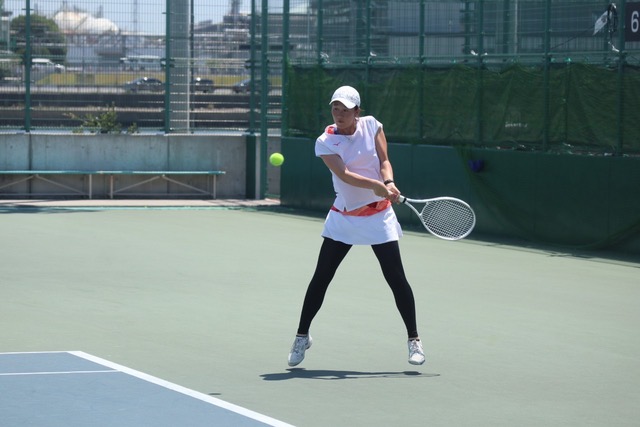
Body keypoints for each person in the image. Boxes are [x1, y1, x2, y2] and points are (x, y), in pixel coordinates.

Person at [287, 85, 425, 367]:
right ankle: (302, 336)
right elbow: (345, 175)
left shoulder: (372, 125)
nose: (339, 114)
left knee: (396, 278)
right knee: (321, 277)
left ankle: (414, 340)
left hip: (379, 217)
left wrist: (388, 182)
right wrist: (376, 185)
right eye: (335, 108)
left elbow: (384, 161)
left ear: (357, 112)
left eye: (345, 109)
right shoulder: (325, 141)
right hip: (345, 218)